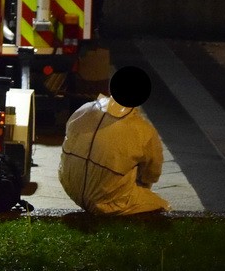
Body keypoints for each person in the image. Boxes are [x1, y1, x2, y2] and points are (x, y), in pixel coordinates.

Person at [58, 66, 169, 215]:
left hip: (70, 186)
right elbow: (152, 174)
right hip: (107, 200)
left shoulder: (83, 110)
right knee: (160, 204)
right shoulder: (143, 130)